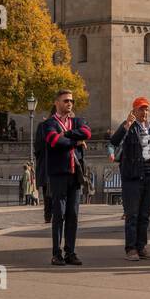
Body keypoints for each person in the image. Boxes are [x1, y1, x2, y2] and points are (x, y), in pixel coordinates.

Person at [109, 97, 150, 261]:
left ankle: (142, 246)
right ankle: (131, 248)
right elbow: (114, 141)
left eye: (146, 109)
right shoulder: (129, 127)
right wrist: (126, 125)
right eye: (141, 109)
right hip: (132, 176)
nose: (144, 112)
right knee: (132, 214)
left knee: (145, 214)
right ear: (134, 111)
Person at [43, 90, 91, 266]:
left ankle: (70, 251)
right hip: (58, 175)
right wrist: (75, 141)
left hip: (75, 175)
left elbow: (87, 133)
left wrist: (68, 135)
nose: (69, 103)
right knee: (59, 214)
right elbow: (54, 141)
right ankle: (56, 253)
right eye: (65, 101)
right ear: (57, 103)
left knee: (73, 214)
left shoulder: (78, 121)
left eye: (71, 101)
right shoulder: (48, 124)